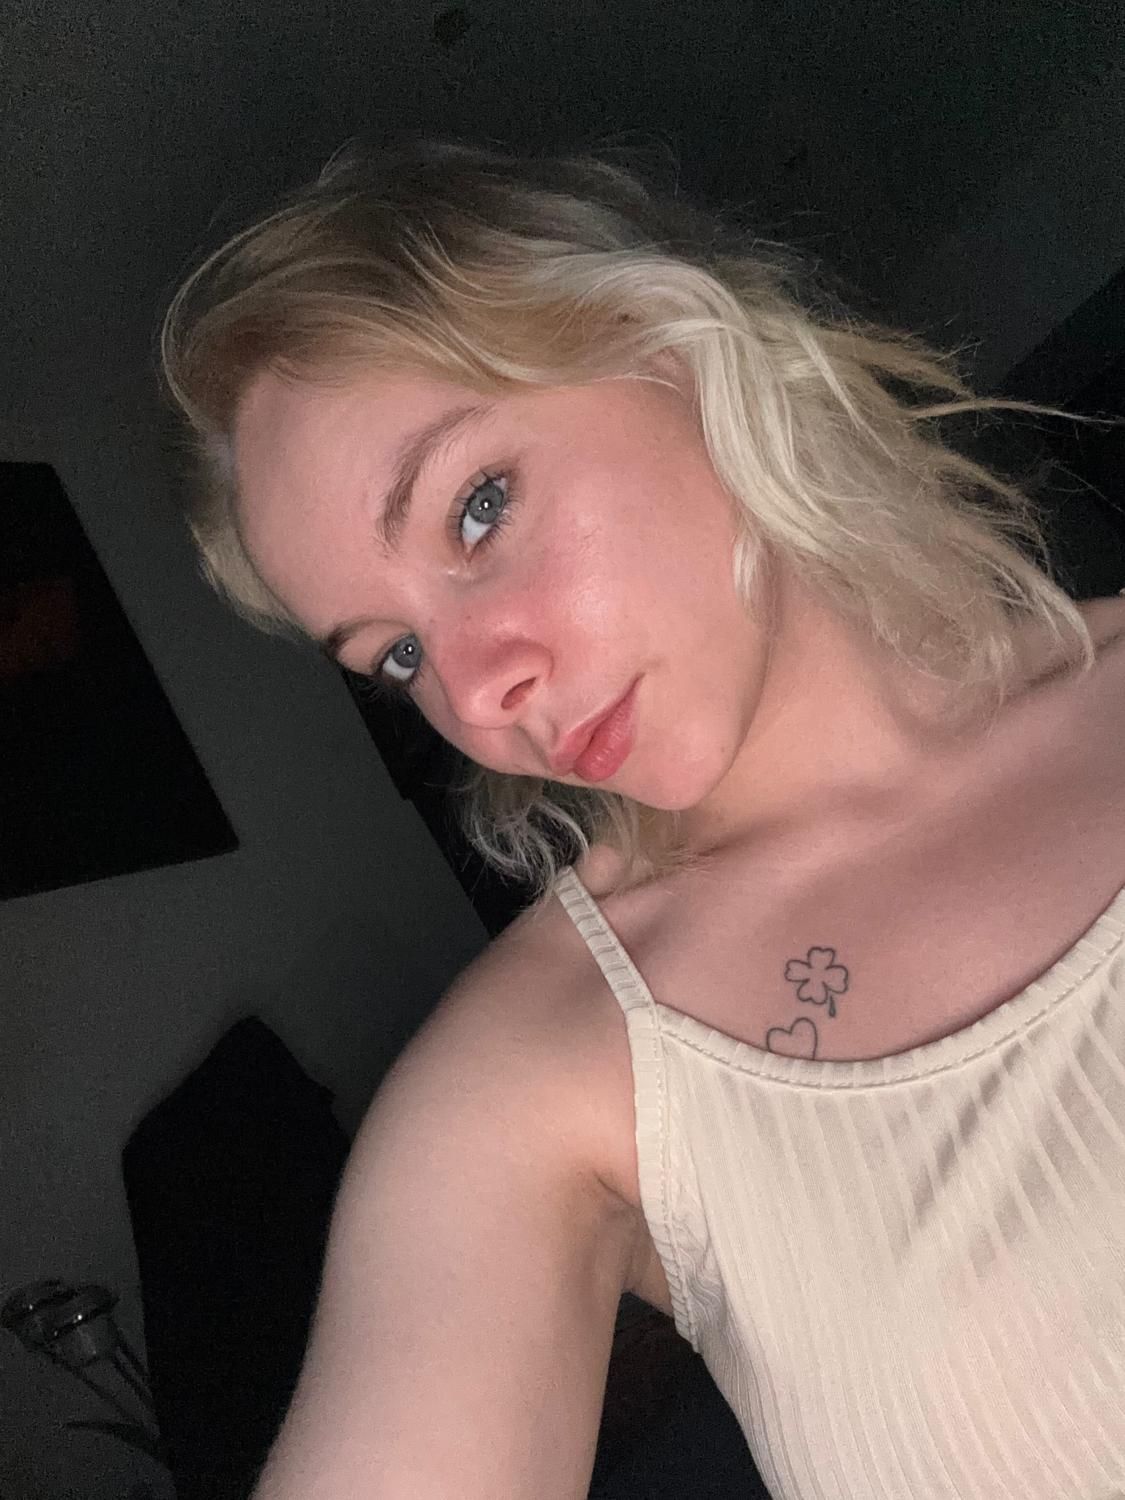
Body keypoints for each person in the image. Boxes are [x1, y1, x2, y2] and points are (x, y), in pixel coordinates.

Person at [161, 141, 1125, 1500]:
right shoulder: (533, 1080)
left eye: (476, 510)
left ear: (663, 338)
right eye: (396, 655)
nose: (475, 693)